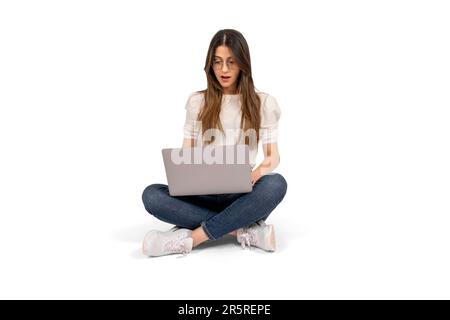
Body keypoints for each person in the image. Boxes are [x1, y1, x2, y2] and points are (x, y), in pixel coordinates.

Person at [141, 29, 287, 257]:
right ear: (210, 65)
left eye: (231, 62)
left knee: (276, 184)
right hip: (203, 191)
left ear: (243, 64)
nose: (224, 70)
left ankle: (193, 237)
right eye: (217, 62)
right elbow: (186, 152)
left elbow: (273, 157)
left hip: (241, 191)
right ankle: (240, 230)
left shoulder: (263, 103)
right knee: (151, 195)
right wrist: (184, 176)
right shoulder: (197, 102)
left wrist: (254, 175)